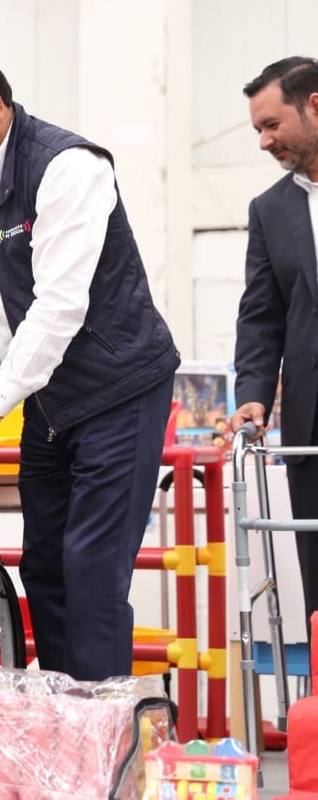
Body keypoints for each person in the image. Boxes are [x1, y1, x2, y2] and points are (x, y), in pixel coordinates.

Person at [0, 42, 180, 681]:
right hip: (47, 404)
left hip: (117, 392)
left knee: (92, 569)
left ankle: (102, 728)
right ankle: (63, 712)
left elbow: (59, 307)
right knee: (45, 568)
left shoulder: (69, 168)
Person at [231, 56, 318, 626]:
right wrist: (253, 394)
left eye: (272, 125)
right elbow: (262, 317)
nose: (264, 141)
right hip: (312, 429)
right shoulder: (269, 210)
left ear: (314, 106)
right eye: (258, 129)